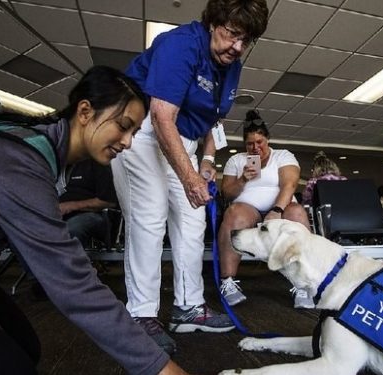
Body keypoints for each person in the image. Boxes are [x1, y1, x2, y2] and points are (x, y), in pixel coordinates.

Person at [0, 66, 187, 375]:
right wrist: (159, 368)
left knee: (25, 346)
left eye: (133, 132)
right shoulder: (17, 161)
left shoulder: (49, 160)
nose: (128, 141)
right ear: (84, 111)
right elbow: (74, 284)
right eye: (123, 126)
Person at [111, 0, 269, 352]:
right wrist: (190, 178)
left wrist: (208, 160)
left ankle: (188, 307)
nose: (238, 47)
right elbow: (162, 115)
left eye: (246, 40)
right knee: (149, 216)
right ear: (214, 22)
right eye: (232, 34)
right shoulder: (180, 44)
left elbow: (212, 117)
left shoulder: (230, 64)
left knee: (193, 220)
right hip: (142, 131)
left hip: (183, 139)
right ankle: (140, 315)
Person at [217, 110, 312, 309]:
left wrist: (276, 210)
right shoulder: (236, 160)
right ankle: (227, 283)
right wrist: (243, 179)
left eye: (259, 142)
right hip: (248, 209)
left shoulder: (283, 156)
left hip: (281, 207)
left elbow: (290, 185)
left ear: (267, 139)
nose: (255, 147)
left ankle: (303, 283)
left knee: (297, 214)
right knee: (233, 214)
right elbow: (227, 194)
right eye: (250, 143)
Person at [59, 158, 118, 248]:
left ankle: (69, 261)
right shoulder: (54, 164)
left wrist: (71, 206)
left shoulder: (96, 161)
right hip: (57, 214)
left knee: (72, 229)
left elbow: (108, 202)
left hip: (92, 214)